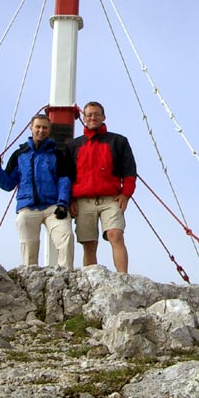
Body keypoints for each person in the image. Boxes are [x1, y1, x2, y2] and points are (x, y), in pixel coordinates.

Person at [0, 114, 74, 269]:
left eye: (44, 127)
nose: (41, 130)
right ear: (31, 127)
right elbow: (8, 184)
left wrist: (62, 204)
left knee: (65, 235)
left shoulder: (57, 154)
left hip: (52, 206)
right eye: (38, 127)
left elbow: (64, 180)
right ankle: (30, 273)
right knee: (28, 244)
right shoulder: (19, 155)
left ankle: (66, 272)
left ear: (49, 130)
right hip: (27, 206)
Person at [67, 101, 136, 273]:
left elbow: (129, 171)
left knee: (116, 234)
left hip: (110, 198)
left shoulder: (118, 141)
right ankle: (91, 281)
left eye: (96, 114)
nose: (92, 118)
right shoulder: (73, 146)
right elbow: (67, 175)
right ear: (84, 118)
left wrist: (126, 194)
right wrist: (70, 199)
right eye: (89, 115)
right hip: (84, 200)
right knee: (89, 243)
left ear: (103, 116)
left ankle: (123, 277)